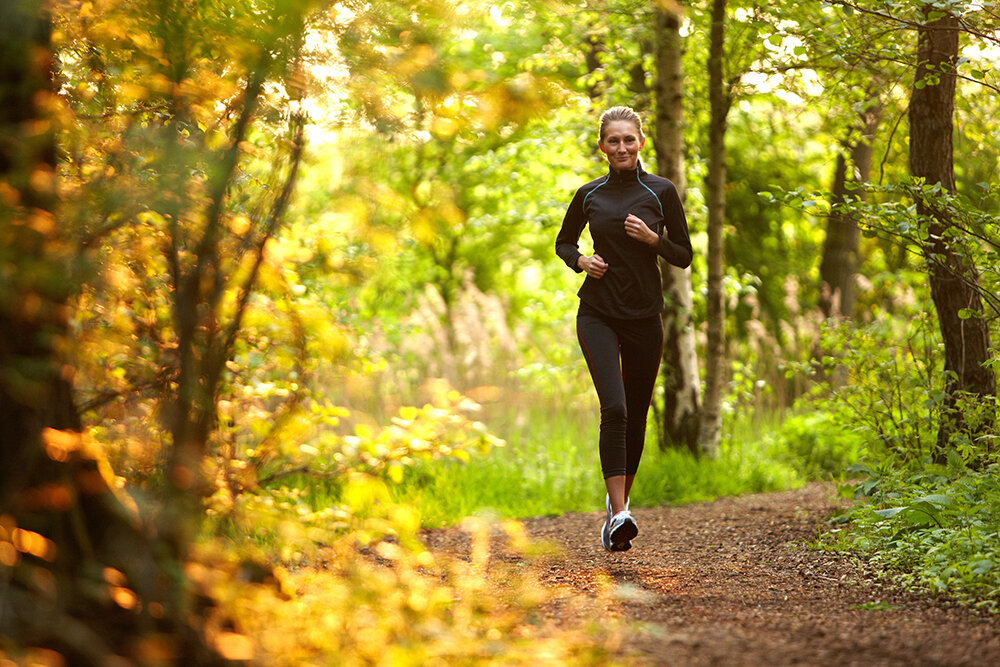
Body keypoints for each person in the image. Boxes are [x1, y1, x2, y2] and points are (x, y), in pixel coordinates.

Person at [555, 106, 693, 552]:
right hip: (596, 311)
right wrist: (581, 261)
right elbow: (563, 241)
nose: (621, 147)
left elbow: (684, 254)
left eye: (628, 140)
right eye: (612, 141)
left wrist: (654, 240)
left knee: (635, 413)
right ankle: (620, 513)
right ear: (602, 147)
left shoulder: (660, 192)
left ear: (641, 143)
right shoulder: (588, 194)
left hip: (644, 317)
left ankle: (618, 511)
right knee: (613, 408)